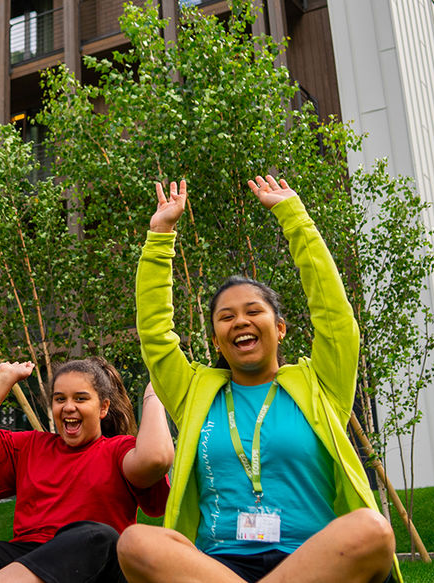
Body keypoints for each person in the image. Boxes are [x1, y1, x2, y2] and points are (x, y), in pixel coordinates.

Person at [117, 178, 398, 583]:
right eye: (226, 317)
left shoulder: (319, 384)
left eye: (253, 311)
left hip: (315, 564)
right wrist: (160, 236)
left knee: (372, 529)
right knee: (135, 543)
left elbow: (335, 318)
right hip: (218, 568)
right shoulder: (194, 392)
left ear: (280, 328)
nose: (241, 322)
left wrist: (295, 219)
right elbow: (155, 335)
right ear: (215, 338)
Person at [0, 358, 173, 583]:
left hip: (89, 565)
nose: (68, 406)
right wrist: (4, 378)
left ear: (103, 407)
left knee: (98, 535)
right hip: (23, 561)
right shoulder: (32, 445)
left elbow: (157, 458)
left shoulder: (120, 450)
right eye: (60, 399)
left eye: (81, 398)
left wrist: (155, 393)